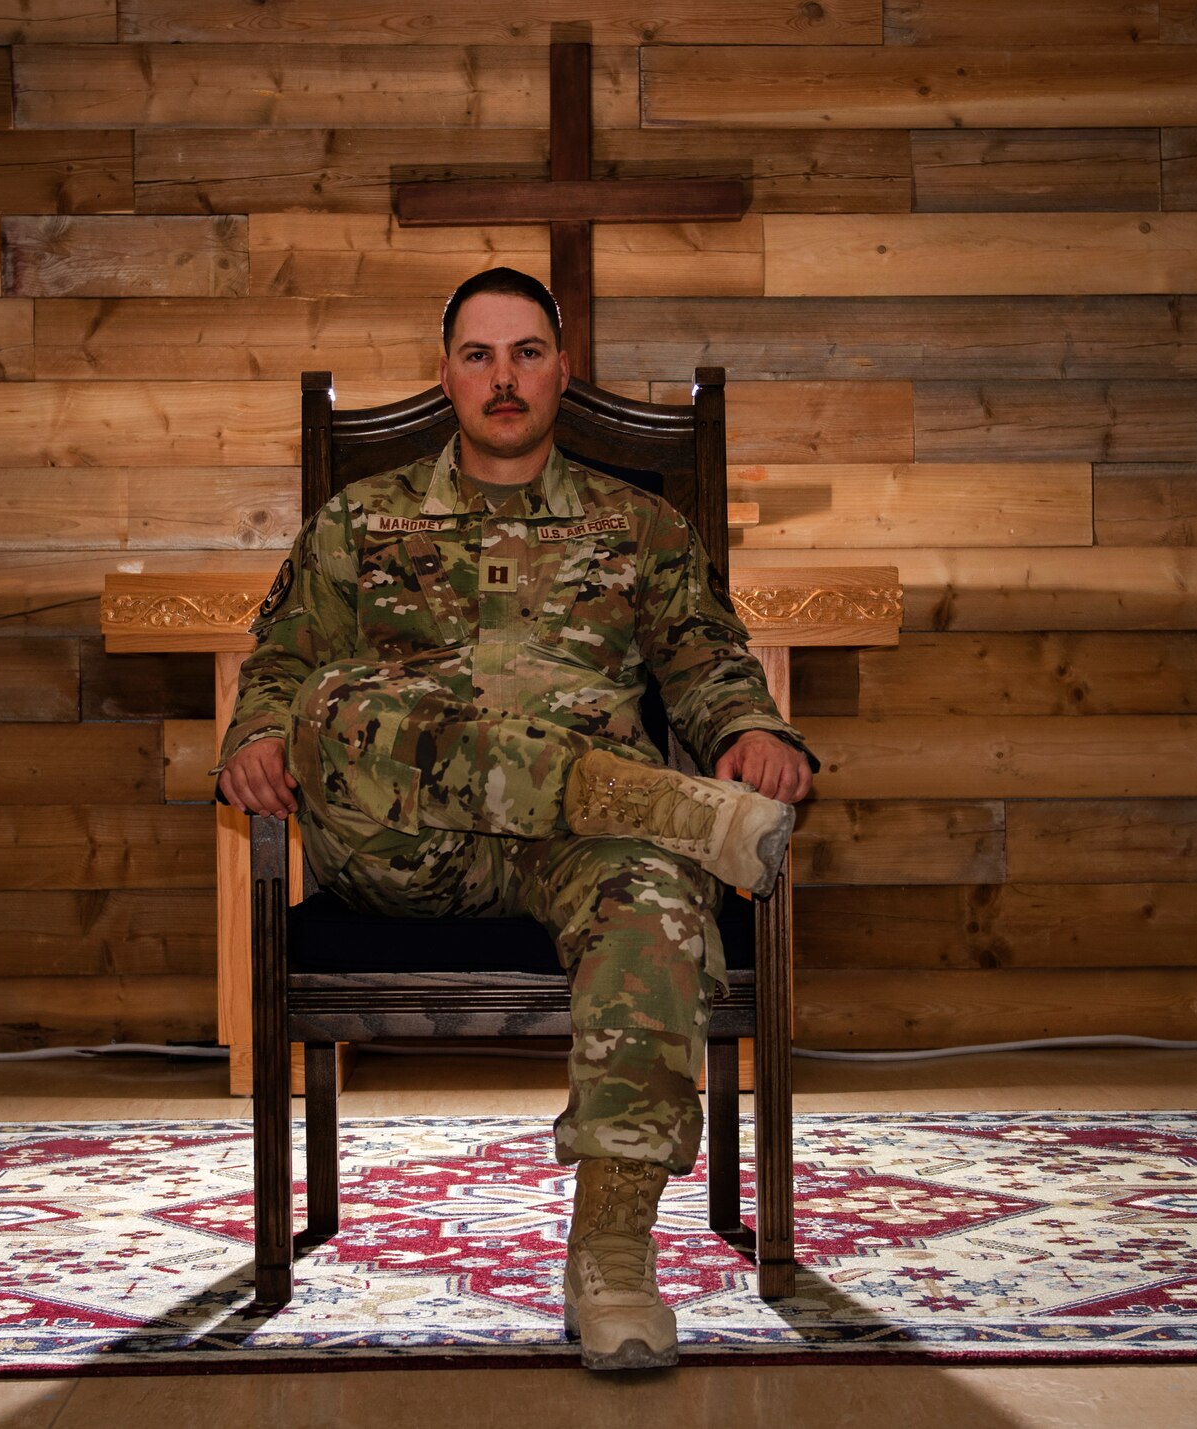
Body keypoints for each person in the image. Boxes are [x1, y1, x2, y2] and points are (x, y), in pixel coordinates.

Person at [216, 267, 815, 1370]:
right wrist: (256, 735)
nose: (504, 378)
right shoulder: (359, 520)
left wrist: (751, 729)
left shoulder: (638, 526)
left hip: (574, 853)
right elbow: (283, 663)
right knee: (330, 709)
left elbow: (707, 661)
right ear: (445, 373)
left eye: (526, 352)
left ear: (561, 370)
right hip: (401, 849)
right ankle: (655, 801)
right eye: (480, 355)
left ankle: (612, 1257)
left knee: (656, 887)